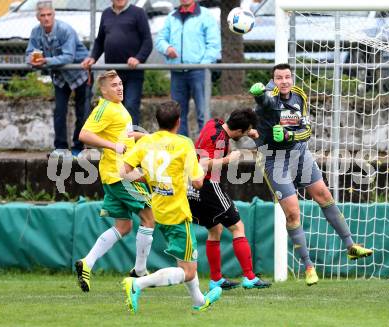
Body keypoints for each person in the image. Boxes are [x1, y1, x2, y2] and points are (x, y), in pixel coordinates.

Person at [249, 63, 373, 286]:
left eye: (288, 77)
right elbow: (265, 104)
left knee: (324, 196)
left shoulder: (299, 96)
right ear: (273, 80)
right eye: (279, 78)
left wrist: (288, 136)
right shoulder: (268, 98)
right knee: (293, 214)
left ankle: (351, 246)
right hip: (274, 160)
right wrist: (259, 96)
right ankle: (308, 267)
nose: (284, 81)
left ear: (292, 79)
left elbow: (306, 131)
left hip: (299, 154)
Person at [121, 100, 222, 313]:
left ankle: (198, 301)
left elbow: (124, 171)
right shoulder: (184, 143)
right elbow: (197, 183)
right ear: (179, 121)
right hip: (177, 213)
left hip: (159, 209)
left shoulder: (146, 142)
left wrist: (145, 179)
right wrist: (202, 169)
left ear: (157, 121)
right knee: (187, 271)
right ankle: (137, 284)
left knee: (185, 261)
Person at [75, 70, 154, 292]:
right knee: (149, 218)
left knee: (124, 226)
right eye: (114, 85)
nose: (119, 88)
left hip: (116, 174)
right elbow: (84, 134)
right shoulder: (104, 108)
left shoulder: (119, 108)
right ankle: (139, 272)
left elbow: (126, 136)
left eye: (120, 84)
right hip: (120, 175)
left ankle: (86, 263)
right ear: (104, 90)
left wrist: (149, 138)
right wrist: (111, 146)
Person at [188, 109, 271, 290]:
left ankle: (216, 279)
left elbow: (233, 130)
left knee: (215, 229)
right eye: (245, 131)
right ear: (239, 130)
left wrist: (248, 131)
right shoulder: (219, 139)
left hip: (193, 187)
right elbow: (203, 163)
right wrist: (227, 160)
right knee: (237, 227)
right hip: (209, 186)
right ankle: (249, 277)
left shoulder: (214, 123)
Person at [26, 0, 91, 158]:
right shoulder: (36, 32)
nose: (46, 18)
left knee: (82, 112)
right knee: (59, 111)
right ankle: (60, 148)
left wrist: (45, 62)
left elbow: (68, 57)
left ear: (54, 15)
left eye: (49, 15)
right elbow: (29, 51)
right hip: (60, 76)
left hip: (80, 73)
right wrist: (31, 59)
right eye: (43, 15)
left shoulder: (65, 30)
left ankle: (78, 147)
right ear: (38, 17)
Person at [81, 0, 152, 126]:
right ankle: (115, 144)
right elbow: (100, 41)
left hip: (133, 73)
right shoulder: (106, 14)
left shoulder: (138, 13)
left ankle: (131, 143)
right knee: (113, 110)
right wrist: (92, 57)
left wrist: (138, 58)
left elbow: (147, 41)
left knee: (130, 107)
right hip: (112, 73)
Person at [155, 0, 221, 137]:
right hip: (177, 72)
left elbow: (214, 45)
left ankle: (205, 148)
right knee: (177, 115)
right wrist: (167, 48)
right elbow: (159, 39)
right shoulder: (171, 16)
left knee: (203, 113)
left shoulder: (206, 15)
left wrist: (202, 65)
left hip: (199, 72)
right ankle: (182, 148)